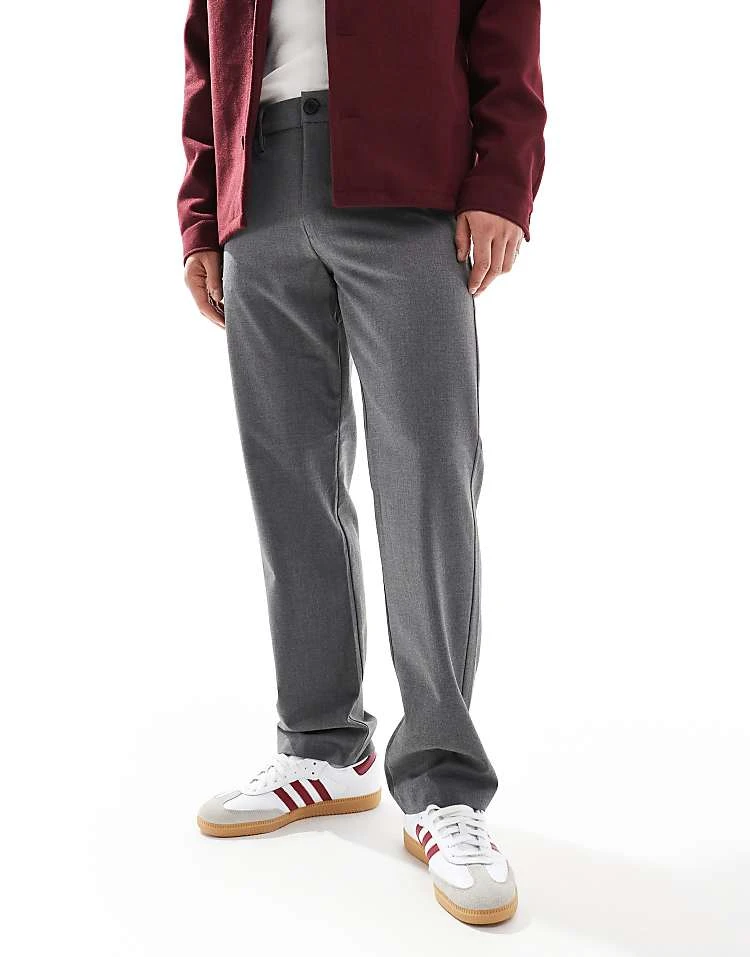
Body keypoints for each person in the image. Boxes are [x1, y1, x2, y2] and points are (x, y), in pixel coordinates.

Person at [179, 0, 545, 926]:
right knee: (289, 481)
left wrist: (503, 180)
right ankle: (323, 746)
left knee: (427, 480)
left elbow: (505, 24)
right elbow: (204, 52)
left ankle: (444, 784)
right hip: (259, 191)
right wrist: (202, 215)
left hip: (409, 183)